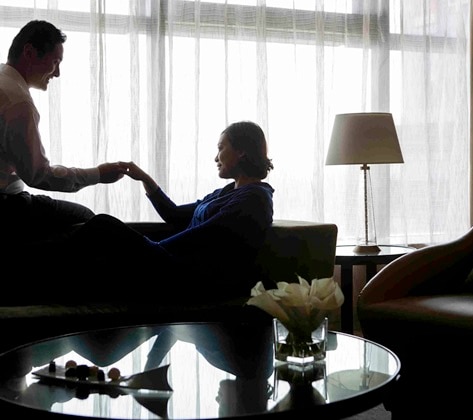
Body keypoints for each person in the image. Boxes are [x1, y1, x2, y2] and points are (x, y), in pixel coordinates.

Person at [55, 120, 275, 299]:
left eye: (221, 148)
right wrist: (145, 179)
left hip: (194, 277)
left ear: (241, 152)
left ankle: (46, 276)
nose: (216, 157)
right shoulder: (226, 191)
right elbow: (175, 215)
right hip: (175, 263)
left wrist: (147, 250)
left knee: (103, 226)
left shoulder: (255, 198)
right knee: (97, 243)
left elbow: (202, 237)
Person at [0, 20, 128, 245]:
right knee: (91, 222)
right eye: (55, 62)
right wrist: (98, 174)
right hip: (8, 207)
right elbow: (38, 175)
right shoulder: (18, 102)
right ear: (29, 52)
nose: (57, 73)